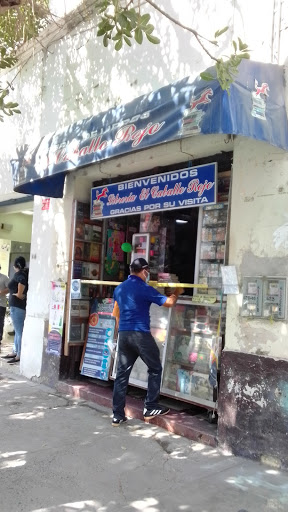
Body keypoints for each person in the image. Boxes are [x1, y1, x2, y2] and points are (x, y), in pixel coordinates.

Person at [111, 257, 183, 426]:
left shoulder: (119, 288)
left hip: (124, 334)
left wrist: (121, 332)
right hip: (140, 335)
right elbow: (169, 303)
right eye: (147, 272)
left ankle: (117, 415)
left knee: (121, 375)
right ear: (144, 271)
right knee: (155, 368)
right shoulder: (144, 288)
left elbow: (116, 314)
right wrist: (177, 292)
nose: (148, 275)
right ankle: (150, 406)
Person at [4, 257, 28, 364]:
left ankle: (19, 354)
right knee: (17, 331)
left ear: (16, 265)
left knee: (19, 332)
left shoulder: (21, 275)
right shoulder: (20, 274)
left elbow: (20, 293)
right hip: (16, 306)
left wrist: (16, 294)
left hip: (18, 307)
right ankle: (15, 351)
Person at [0, 265, 9, 346]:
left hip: (1, 304)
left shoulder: (4, 278)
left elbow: (10, 288)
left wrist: (1, 292)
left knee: (0, 322)